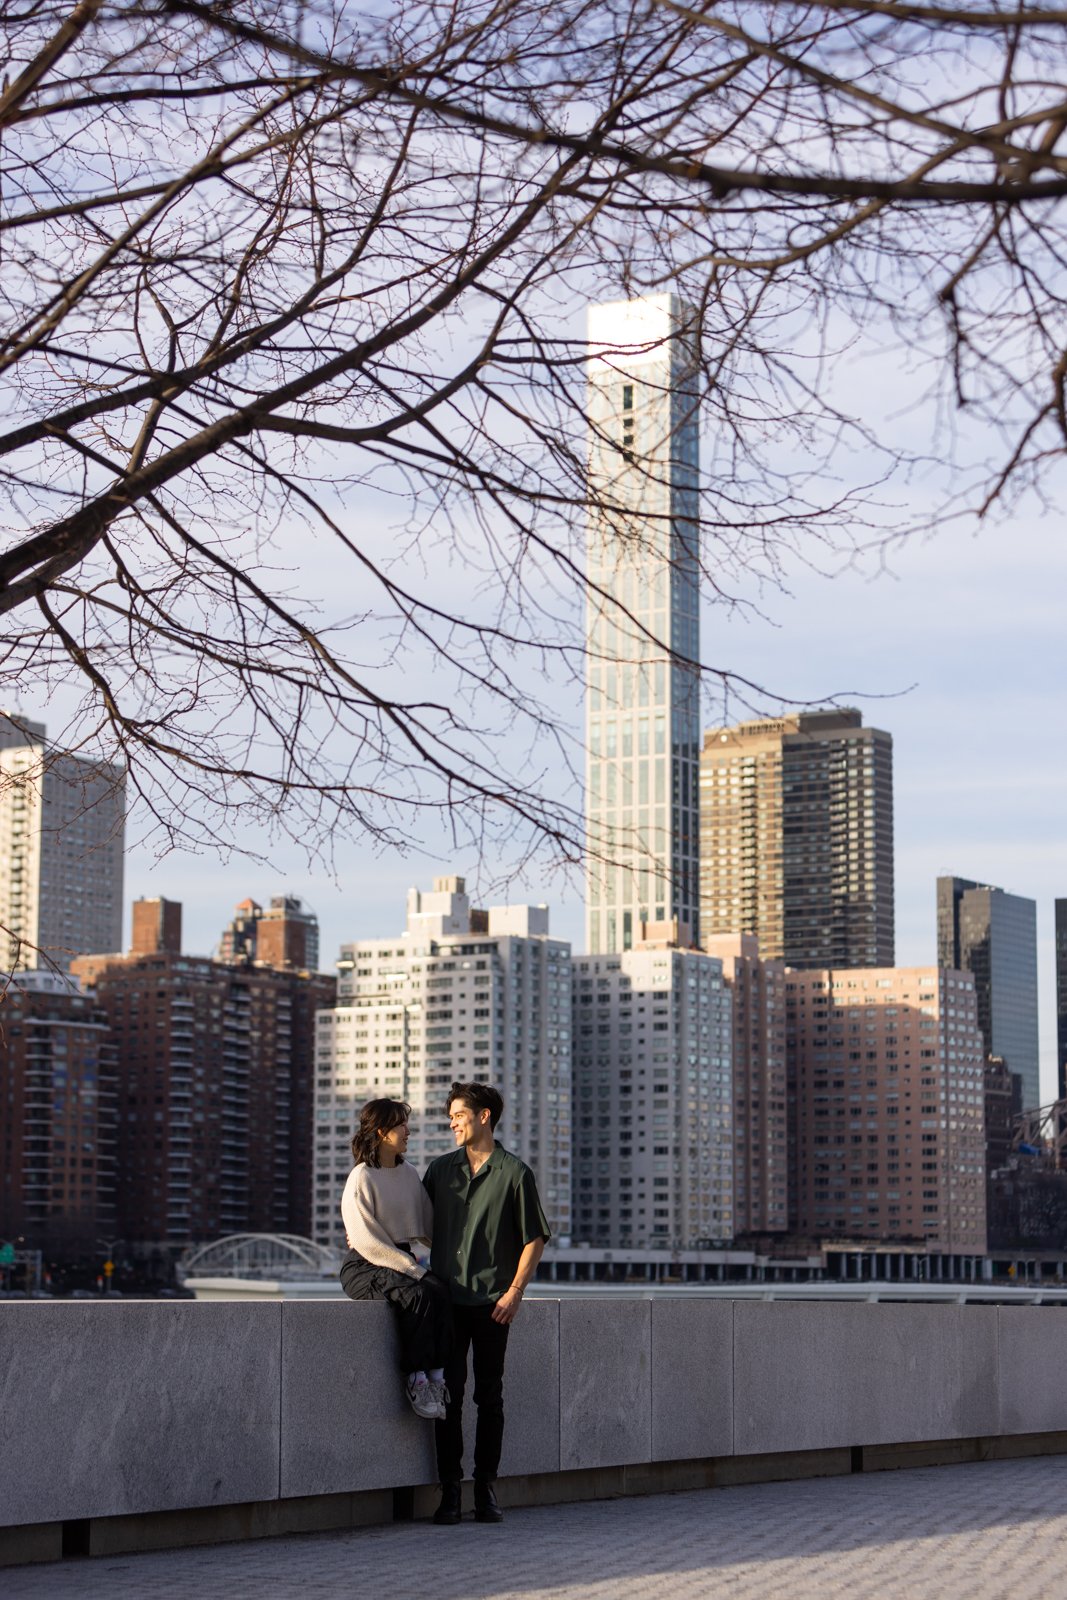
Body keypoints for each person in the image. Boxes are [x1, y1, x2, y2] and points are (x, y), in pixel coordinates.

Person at [423, 1081, 550, 1525]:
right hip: (446, 1302)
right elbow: (413, 1218)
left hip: (493, 1303)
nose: (452, 1122)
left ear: (484, 1117)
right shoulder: (440, 1171)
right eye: (451, 1116)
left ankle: (486, 1489)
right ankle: (451, 1493)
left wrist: (515, 1291)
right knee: (448, 1397)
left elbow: (534, 1238)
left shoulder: (515, 1173)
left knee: (489, 1398)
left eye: (459, 1114)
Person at [339, 1098, 452, 1420]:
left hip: (400, 1259)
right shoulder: (362, 1176)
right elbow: (366, 1241)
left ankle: (437, 1378)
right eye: (401, 1124)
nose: (408, 1131)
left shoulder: (409, 1173)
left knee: (443, 1292)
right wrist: (414, 1269)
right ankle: (416, 1379)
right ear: (381, 1131)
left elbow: (429, 1226)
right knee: (416, 1295)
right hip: (365, 1264)